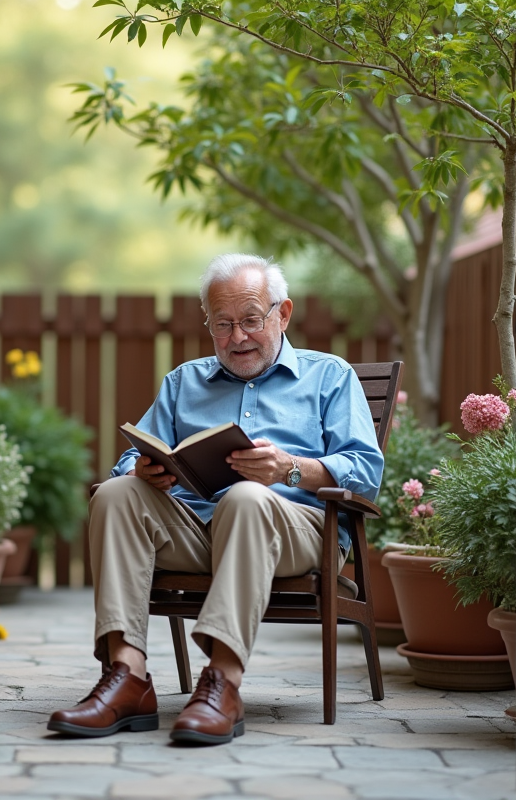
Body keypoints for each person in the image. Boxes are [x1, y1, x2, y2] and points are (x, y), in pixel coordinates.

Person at [47, 254, 384, 745]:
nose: (237, 337)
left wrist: (288, 467)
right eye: (222, 325)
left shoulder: (329, 376)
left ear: (283, 314)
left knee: (247, 497)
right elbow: (128, 460)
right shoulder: (185, 381)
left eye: (250, 320)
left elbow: (367, 473)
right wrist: (144, 469)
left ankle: (222, 682)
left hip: (299, 533)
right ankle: (127, 678)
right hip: (198, 529)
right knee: (117, 493)